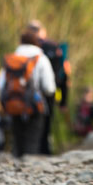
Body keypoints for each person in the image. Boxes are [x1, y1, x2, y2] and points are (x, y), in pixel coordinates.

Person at [0, 24, 56, 157]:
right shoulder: (41, 58)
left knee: (17, 139)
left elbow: (1, 85)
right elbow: (49, 88)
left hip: (13, 103)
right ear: (37, 43)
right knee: (33, 139)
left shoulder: (12, 59)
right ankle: (30, 169)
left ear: (20, 42)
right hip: (35, 105)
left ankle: (16, 170)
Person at [27, 20, 71, 155]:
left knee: (30, 122)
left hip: (28, 91)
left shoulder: (25, 49)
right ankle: (45, 151)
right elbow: (65, 75)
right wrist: (63, 100)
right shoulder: (55, 47)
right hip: (50, 91)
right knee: (46, 122)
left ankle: (30, 151)